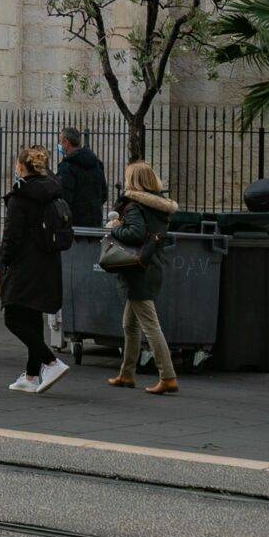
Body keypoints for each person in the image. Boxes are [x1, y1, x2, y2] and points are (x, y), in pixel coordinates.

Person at [0, 143, 71, 394]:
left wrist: (4, 261)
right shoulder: (52, 190)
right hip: (47, 262)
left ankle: (51, 362)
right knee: (32, 315)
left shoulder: (20, 197)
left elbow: (12, 236)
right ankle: (31, 375)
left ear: (20, 167)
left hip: (24, 264)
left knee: (12, 317)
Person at [105, 160, 180, 393]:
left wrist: (115, 226)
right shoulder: (158, 206)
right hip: (151, 265)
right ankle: (127, 374)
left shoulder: (135, 207)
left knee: (150, 325)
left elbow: (134, 233)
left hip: (138, 270)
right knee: (130, 325)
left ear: (134, 181)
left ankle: (168, 376)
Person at [56, 128, 109, 231]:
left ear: (66, 142)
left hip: (74, 225)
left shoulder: (67, 167)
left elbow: (64, 199)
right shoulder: (96, 163)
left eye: (60, 141)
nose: (59, 145)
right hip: (95, 222)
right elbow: (104, 194)